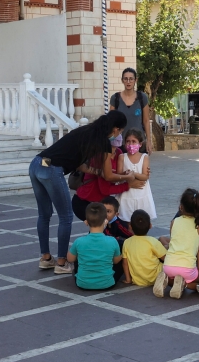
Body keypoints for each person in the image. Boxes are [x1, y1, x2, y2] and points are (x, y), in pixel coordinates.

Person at [29, 110, 130, 275]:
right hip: (52, 170)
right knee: (66, 217)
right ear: (116, 129)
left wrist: (96, 172)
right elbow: (109, 176)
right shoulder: (102, 142)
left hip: (36, 164)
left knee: (44, 214)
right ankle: (61, 262)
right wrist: (128, 177)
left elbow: (77, 163)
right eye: (120, 131)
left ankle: (46, 258)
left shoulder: (86, 131)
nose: (118, 135)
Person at [156, 189, 199, 299]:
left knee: (173, 277)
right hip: (187, 268)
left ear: (181, 206)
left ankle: (166, 280)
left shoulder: (174, 222)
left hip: (168, 266)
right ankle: (184, 284)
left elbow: (173, 242)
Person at [66, 203, 121, 290]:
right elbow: (116, 261)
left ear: (86, 222)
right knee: (119, 257)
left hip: (82, 284)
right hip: (107, 284)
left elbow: (70, 259)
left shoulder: (79, 241)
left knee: (77, 255)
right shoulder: (112, 241)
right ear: (105, 221)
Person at [109, 68, 152, 153]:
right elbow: (111, 122)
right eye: (126, 79)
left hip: (139, 143)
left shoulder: (142, 98)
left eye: (131, 79)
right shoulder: (115, 98)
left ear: (135, 80)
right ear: (122, 80)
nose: (128, 81)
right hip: (121, 144)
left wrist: (149, 141)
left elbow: (146, 121)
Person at [116, 128, 156, 220]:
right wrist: (128, 177)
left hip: (142, 193)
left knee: (142, 220)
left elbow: (145, 176)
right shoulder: (122, 157)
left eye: (134, 142)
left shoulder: (144, 157)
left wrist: (132, 174)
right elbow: (119, 176)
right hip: (126, 195)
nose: (130, 144)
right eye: (128, 141)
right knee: (126, 219)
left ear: (140, 144)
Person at [121, 209, 166, 286]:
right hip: (156, 277)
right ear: (150, 226)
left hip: (139, 281)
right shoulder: (153, 241)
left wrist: (128, 279)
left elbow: (125, 263)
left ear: (130, 226)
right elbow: (165, 258)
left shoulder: (127, 242)